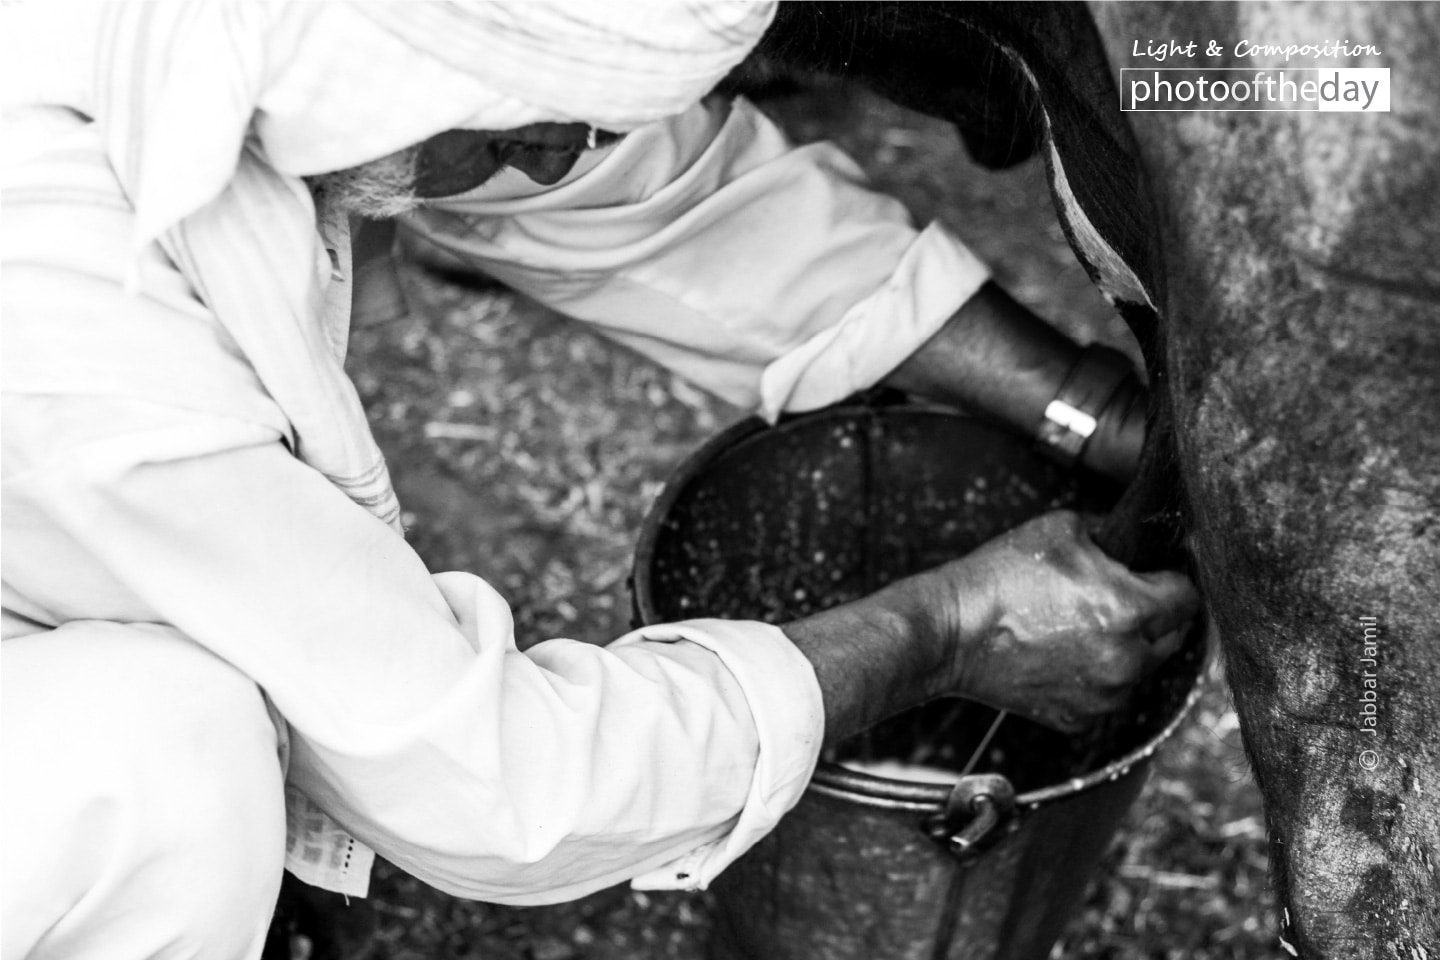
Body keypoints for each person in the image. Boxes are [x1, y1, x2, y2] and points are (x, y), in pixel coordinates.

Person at [0, 4, 1199, 959]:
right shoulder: (85, 325)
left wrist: (1094, 410)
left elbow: (647, 202)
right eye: (535, 125)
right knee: (159, 756)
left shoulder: (336, 45)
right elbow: (488, 778)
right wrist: (950, 628)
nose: (556, 157)